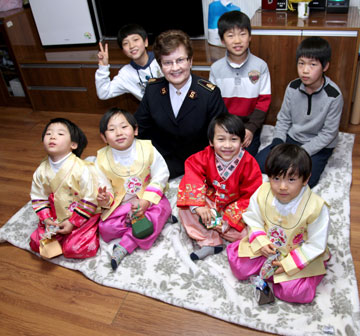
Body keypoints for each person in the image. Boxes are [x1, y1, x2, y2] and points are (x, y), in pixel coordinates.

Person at [227, 144, 330, 303]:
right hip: (268, 248)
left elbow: (315, 244)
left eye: (291, 179)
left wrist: (288, 264)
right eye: (276, 178)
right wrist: (262, 242)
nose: (282, 186)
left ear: (306, 179)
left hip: (298, 253)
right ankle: (274, 272)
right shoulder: (263, 191)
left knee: (293, 292)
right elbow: (253, 218)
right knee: (239, 267)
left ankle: (310, 274)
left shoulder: (316, 207)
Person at [134, 29, 229, 179]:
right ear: (160, 66)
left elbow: (221, 135)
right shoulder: (153, 90)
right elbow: (141, 129)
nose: (175, 68)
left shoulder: (209, 94)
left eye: (180, 60)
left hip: (198, 161)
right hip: (163, 159)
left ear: (190, 61)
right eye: (167, 63)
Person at [255, 36, 343, 188]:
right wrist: (278, 144)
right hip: (292, 139)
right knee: (258, 164)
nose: (305, 70)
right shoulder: (293, 87)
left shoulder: (334, 96)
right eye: (301, 63)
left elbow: (328, 134)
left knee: (304, 179)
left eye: (313, 64)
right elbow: (283, 119)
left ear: (325, 66)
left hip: (318, 146)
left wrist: (300, 153)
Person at [177, 113, 262, 261]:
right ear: (211, 141)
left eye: (234, 139)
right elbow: (192, 175)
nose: (227, 145)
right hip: (211, 202)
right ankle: (210, 241)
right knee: (186, 208)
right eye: (221, 139)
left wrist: (228, 220)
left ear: (242, 141)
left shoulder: (250, 164)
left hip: (234, 208)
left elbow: (251, 195)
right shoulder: (204, 157)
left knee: (245, 235)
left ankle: (216, 230)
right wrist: (199, 206)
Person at [95, 108, 172, 271]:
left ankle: (125, 245)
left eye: (124, 126)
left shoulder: (148, 148)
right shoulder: (101, 160)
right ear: (104, 137)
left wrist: (146, 201)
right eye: (111, 129)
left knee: (161, 209)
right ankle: (147, 223)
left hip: (148, 199)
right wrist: (104, 199)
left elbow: (161, 173)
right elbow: (103, 187)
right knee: (105, 228)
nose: (119, 132)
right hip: (121, 204)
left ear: (135, 130)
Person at [29, 118, 100, 259]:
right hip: (56, 214)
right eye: (48, 134)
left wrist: (73, 222)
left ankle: (88, 230)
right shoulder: (41, 171)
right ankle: (60, 234)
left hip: (81, 214)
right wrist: (47, 219)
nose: (53, 136)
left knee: (74, 249)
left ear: (73, 144)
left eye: (60, 134)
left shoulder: (81, 169)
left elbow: (90, 198)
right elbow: (39, 197)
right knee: (37, 244)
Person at [209, 10, 271, 157]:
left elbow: (263, 102)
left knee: (245, 161)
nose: (237, 40)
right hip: (224, 128)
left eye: (242, 34)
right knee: (218, 159)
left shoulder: (260, 66)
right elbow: (213, 104)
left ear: (250, 37)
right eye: (230, 35)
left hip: (249, 127)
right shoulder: (216, 69)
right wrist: (223, 133)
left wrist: (250, 129)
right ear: (222, 40)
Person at [95, 23, 162, 101]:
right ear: (123, 51)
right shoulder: (126, 74)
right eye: (125, 43)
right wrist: (103, 67)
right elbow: (103, 93)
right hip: (154, 111)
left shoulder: (162, 60)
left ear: (146, 42)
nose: (131, 46)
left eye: (135, 40)